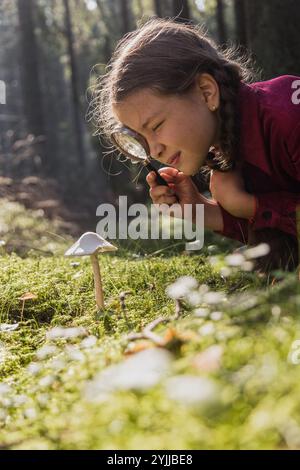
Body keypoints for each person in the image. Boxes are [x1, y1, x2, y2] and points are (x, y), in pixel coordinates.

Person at [92, 17, 300, 272]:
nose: (154, 150)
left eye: (156, 127)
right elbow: (284, 238)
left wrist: (250, 206)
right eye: (140, 139)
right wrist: (201, 211)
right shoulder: (232, 152)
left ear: (206, 92)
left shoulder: (288, 114)